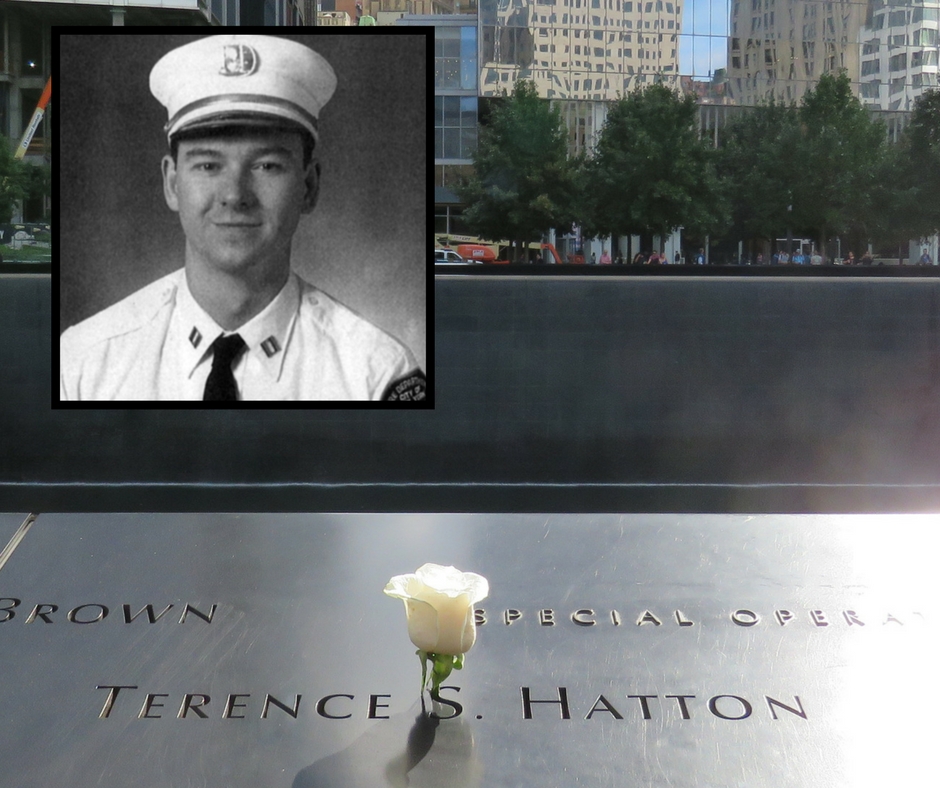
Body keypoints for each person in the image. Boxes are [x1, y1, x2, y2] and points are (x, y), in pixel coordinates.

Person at [59, 35, 425, 403]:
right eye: (208, 165)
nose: (235, 195)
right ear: (172, 183)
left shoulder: (376, 376)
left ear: (309, 186)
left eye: (267, 165)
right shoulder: (82, 364)